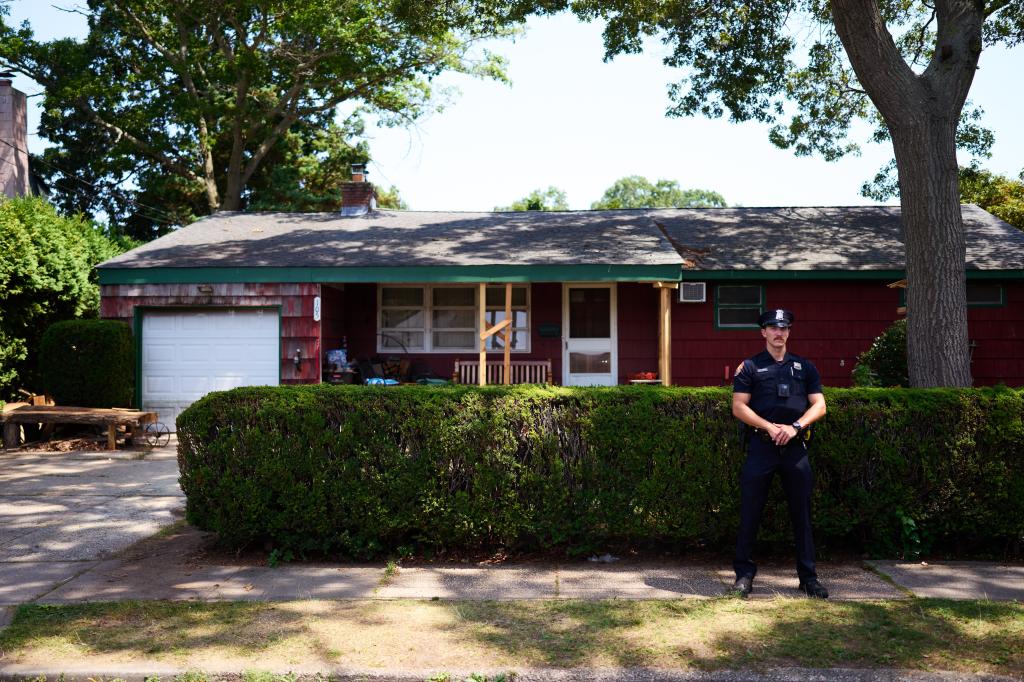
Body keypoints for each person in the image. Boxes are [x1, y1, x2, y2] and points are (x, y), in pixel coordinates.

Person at [730, 308, 828, 599]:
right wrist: (770, 428)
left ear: (789, 332)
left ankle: (808, 578)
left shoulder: (805, 367)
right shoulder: (748, 367)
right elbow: (738, 406)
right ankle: (744, 577)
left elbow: (819, 405)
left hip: (795, 449)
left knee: (802, 515)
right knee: (750, 512)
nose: (778, 332)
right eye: (772, 327)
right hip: (762, 447)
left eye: (783, 327)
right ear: (763, 332)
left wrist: (796, 427)